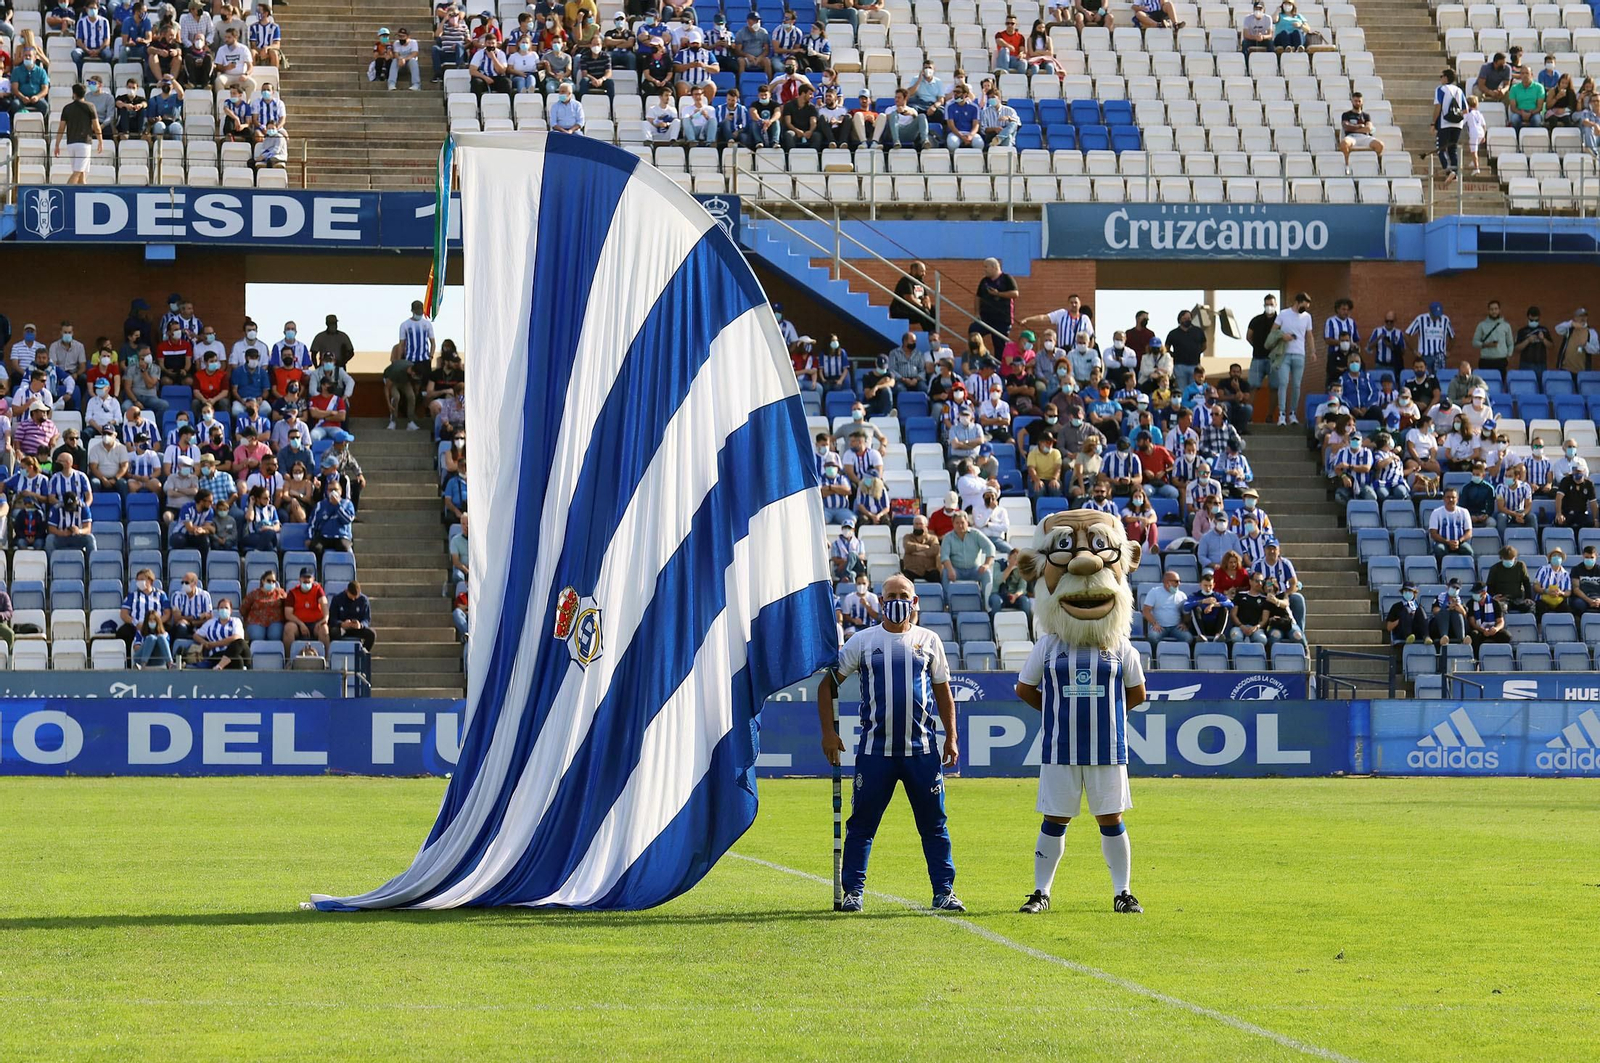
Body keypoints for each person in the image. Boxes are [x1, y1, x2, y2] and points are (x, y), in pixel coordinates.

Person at [818, 575, 962, 914]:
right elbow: (827, 686)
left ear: (915, 603)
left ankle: (944, 891)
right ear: (881, 602)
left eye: (904, 595)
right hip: (875, 752)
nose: (898, 600)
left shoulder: (929, 640)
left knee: (934, 825)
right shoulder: (863, 641)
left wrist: (951, 736)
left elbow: (943, 692)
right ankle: (853, 891)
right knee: (862, 825)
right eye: (891, 595)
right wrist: (828, 732)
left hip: (922, 751)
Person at [1013, 555, 1146, 914]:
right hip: (1060, 748)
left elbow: (1137, 692)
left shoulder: (1119, 645)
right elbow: (1024, 689)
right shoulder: (1048, 645)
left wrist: (1109, 715)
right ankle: (1041, 892)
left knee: (1112, 818)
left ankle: (1123, 893)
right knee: (1055, 819)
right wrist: (1057, 712)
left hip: (1108, 749)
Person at [1272, 292, 1312, 426]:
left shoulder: (1307, 317)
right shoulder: (1283, 314)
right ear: (1298, 301)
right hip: (1284, 354)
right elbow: (1273, 331)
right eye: (1304, 305)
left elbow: (1309, 335)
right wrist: (1283, 336)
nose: (1305, 308)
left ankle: (1292, 413)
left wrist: (1312, 351)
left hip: (1300, 354)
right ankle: (1282, 414)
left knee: (1296, 385)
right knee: (1283, 383)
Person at [53, 82, 104, 186]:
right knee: (77, 172)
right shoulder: (90, 106)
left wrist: (57, 144)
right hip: (84, 143)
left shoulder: (67, 108)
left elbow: (61, 128)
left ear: (74, 94)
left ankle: (84, 197)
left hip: (71, 143)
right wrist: (100, 141)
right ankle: (65, 192)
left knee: (81, 173)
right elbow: (96, 126)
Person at [939, 512, 997, 600]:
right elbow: (944, 556)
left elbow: (990, 547)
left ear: (967, 522)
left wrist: (986, 564)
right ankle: (947, 603)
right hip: (956, 570)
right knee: (946, 573)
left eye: (962, 522)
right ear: (953, 524)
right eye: (957, 523)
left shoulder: (976, 534)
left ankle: (986, 601)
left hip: (975, 570)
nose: (960, 525)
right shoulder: (948, 537)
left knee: (987, 573)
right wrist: (950, 569)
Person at [284, 565, 330, 654]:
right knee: (288, 628)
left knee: (324, 629)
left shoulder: (318, 590)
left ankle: (326, 659)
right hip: (298, 623)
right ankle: (288, 660)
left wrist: (324, 619)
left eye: (309, 577)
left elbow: (324, 605)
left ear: (313, 579)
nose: (306, 580)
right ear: (300, 579)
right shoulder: (292, 593)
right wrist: (301, 624)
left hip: (315, 623)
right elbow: (288, 614)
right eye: (304, 577)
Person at [194, 597, 250, 669]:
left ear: (231, 610)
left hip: (234, 651)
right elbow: (196, 635)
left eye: (226, 608)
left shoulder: (236, 621)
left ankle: (219, 666)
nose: (224, 610)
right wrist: (205, 643)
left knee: (241, 642)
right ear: (218, 610)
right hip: (217, 654)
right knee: (237, 659)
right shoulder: (211, 623)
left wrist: (214, 644)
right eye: (221, 608)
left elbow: (236, 637)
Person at [1434, 68, 1468, 184]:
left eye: (1441, 76)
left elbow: (1438, 106)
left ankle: (1449, 172)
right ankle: (1455, 173)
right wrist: (1456, 116)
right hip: (1458, 124)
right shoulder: (1459, 90)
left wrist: (1433, 123)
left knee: (1441, 149)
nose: (1440, 78)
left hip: (1445, 123)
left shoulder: (1441, 89)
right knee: (1452, 149)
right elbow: (1465, 110)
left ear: (1446, 77)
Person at [330, 580, 375, 653]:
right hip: (343, 628)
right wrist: (341, 624)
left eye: (355, 597)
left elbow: (367, 619)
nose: (353, 599)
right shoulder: (337, 599)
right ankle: (338, 651)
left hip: (357, 629)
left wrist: (360, 625)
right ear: (347, 591)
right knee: (333, 632)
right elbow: (332, 618)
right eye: (351, 597)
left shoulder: (364, 600)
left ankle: (362, 653)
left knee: (371, 634)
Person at [1555, 460, 1596, 529]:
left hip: (1581, 514)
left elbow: (1593, 503)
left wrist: (1595, 519)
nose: (1577, 473)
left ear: (1584, 471)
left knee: (1591, 524)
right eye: (1575, 471)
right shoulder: (1566, 480)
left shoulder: (1589, 484)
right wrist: (1559, 514)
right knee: (1560, 523)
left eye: (1579, 471)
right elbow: (1559, 497)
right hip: (1567, 513)